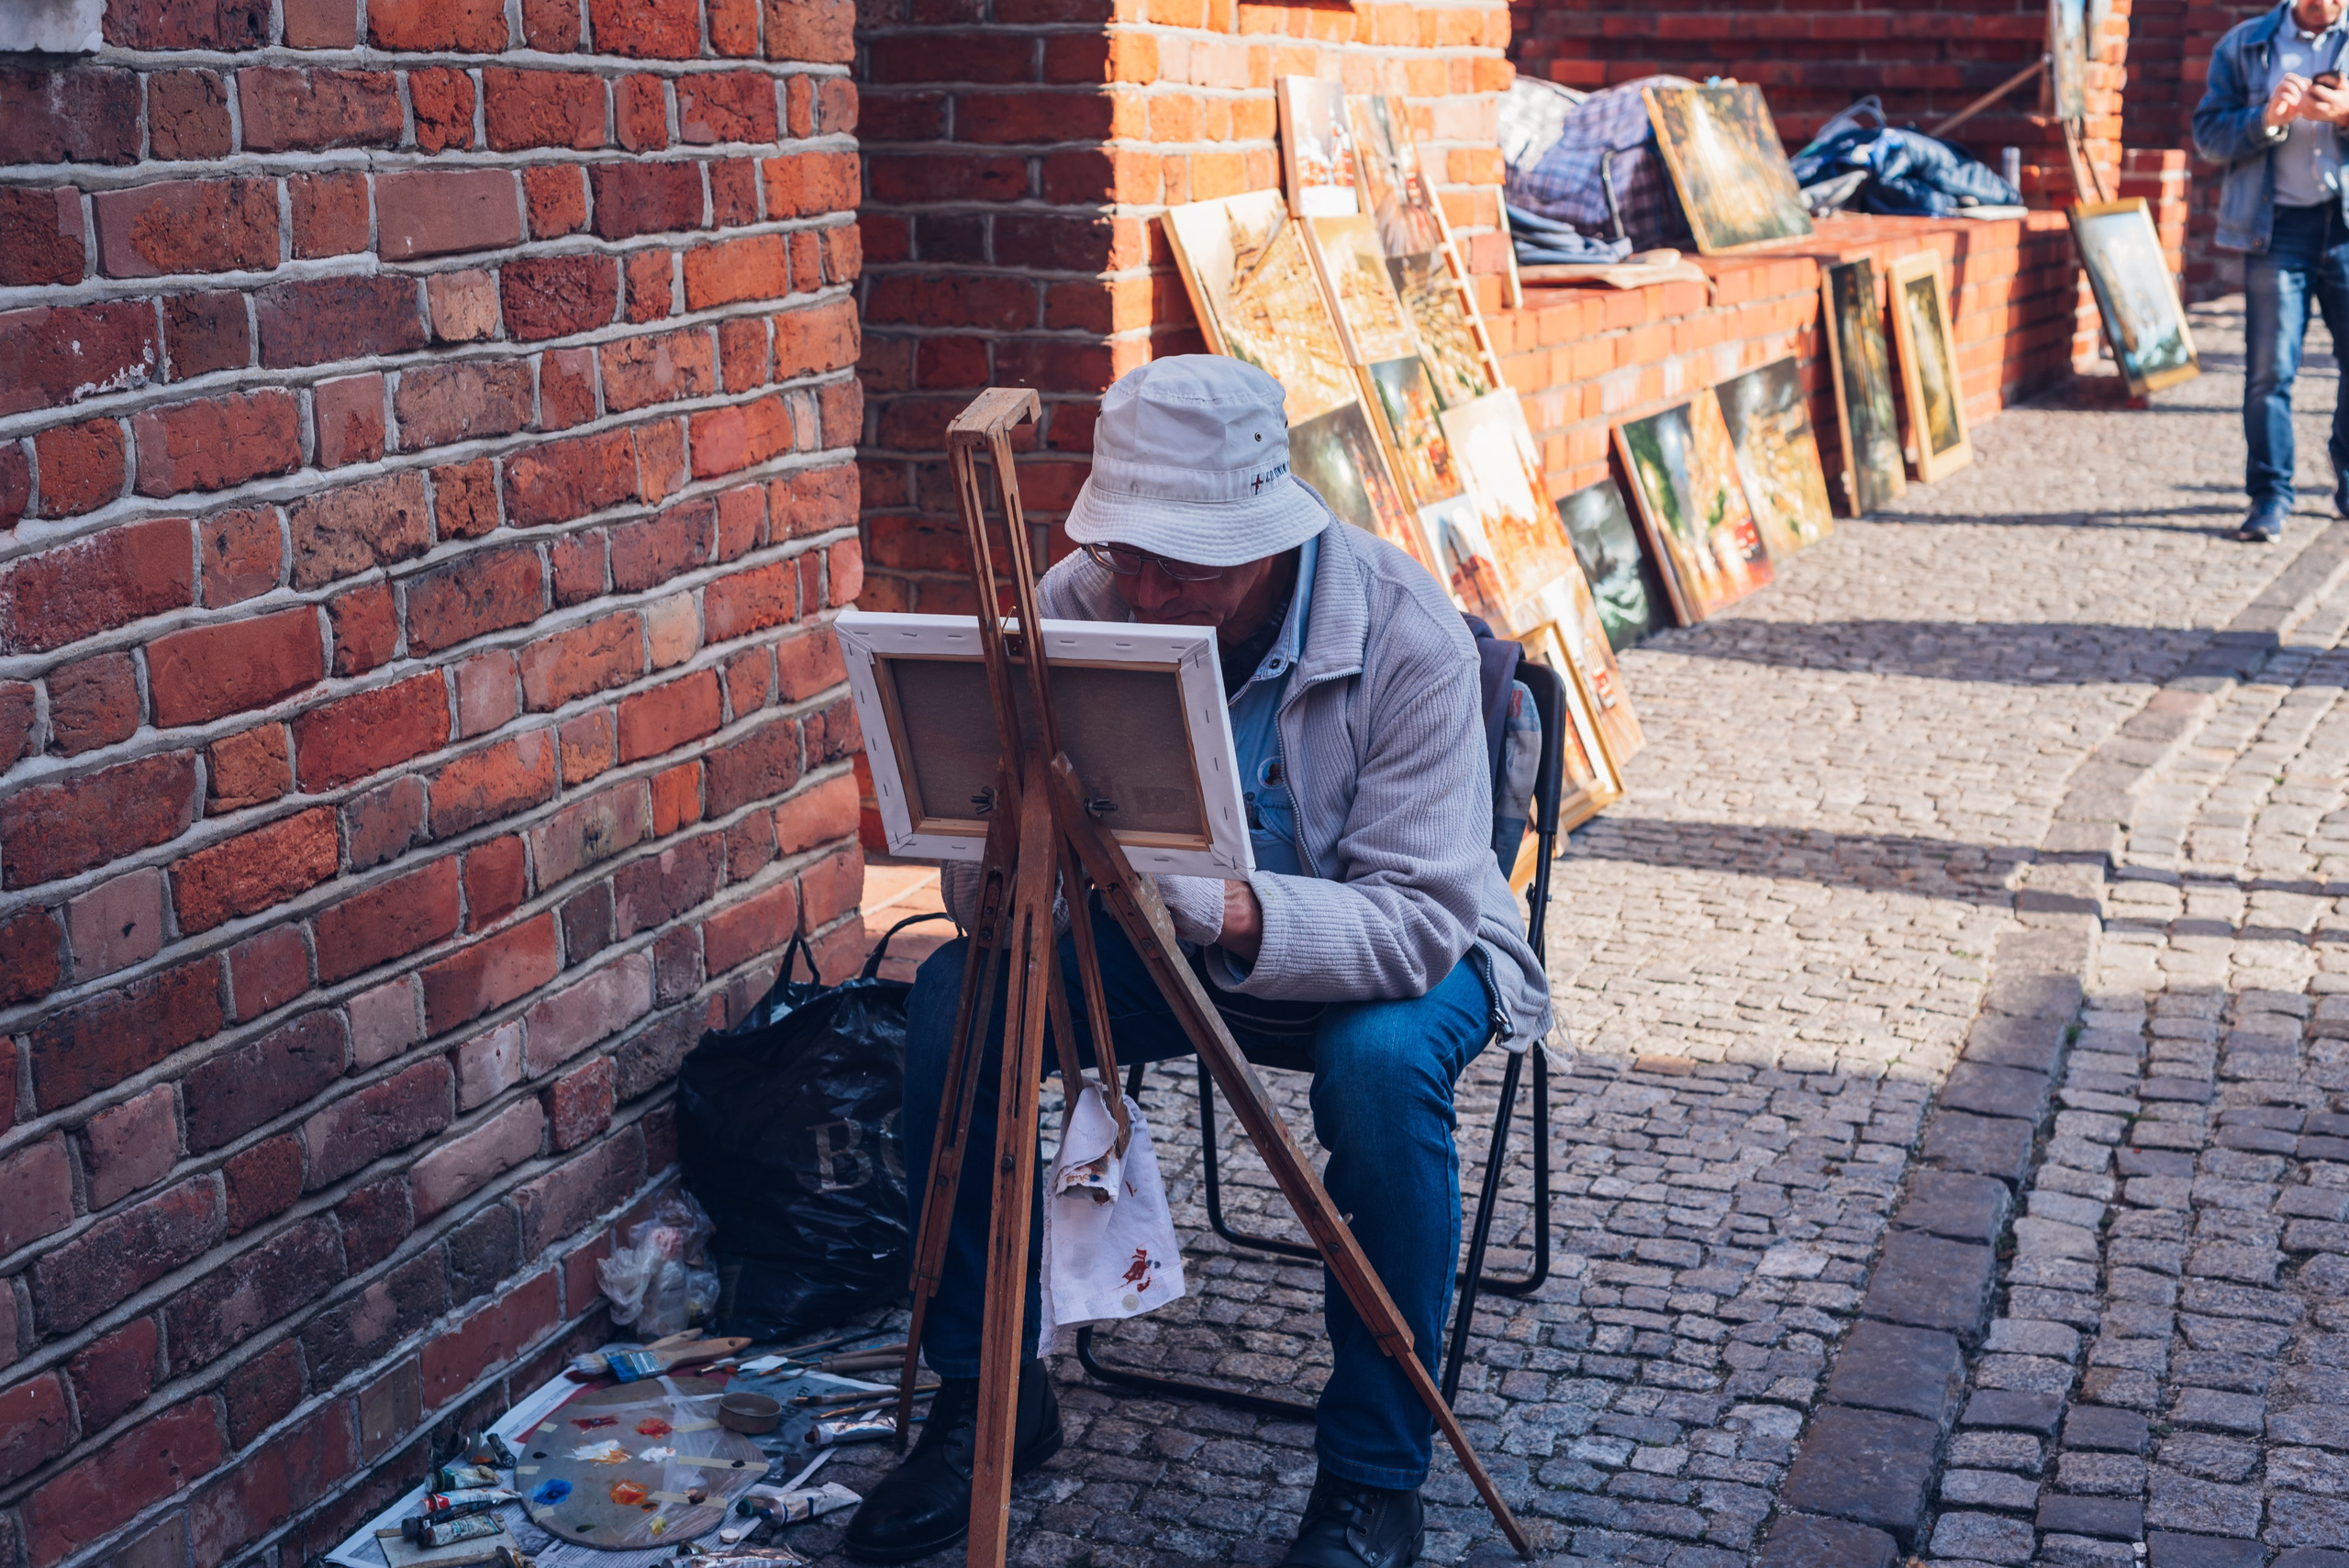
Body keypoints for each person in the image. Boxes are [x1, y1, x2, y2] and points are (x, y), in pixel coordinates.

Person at [840, 356, 1551, 1568]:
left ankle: (1374, 1478)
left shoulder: (1405, 630)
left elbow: (1419, 923)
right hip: (1148, 937)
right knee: (961, 998)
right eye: (1137, 553)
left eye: (1192, 560)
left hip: (1381, 945)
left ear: (1268, 535)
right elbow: (979, 898)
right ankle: (986, 1401)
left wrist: (1228, 910)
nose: (1154, 585)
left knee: (1381, 1072)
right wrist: (1003, 854)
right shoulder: (1082, 595)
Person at [2194, 0, 2349, 541]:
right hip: (2275, 227)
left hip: (2347, 226)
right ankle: (2269, 497)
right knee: (2269, 373)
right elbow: (2208, 135)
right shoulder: (2242, 45)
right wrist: (2266, 121)